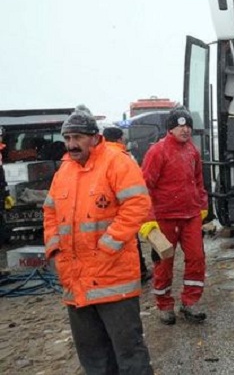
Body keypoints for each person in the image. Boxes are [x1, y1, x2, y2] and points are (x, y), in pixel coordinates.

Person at [43, 105, 153, 374]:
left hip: (112, 278)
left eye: (77, 137)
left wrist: (109, 245)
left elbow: (137, 204)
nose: (71, 144)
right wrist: (55, 251)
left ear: (94, 137)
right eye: (67, 138)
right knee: (93, 358)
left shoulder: (116, 162)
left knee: (129, 355)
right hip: (75, 281)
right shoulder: (64, 172)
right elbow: (50, 211)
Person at [141, 106, 209, 325]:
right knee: (164, 263)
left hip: (190, 216)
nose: (185, 130)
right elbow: (145, 187)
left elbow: (199, 181)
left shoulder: (192, 151)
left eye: (188, 125)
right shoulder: (157, 151)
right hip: (164, 218)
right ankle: (164, 305)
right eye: (180, 126)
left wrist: (202, 205)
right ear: (170, 129)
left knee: (197, 258)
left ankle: (190, 303)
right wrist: (148, 219)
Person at [103, 126, 151, 284]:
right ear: (119, 139)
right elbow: (137, 190)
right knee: (130, 242)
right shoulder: (124, 158)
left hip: (104, 212)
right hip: (123, 211)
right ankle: (139, 272)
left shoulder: (96, 157)